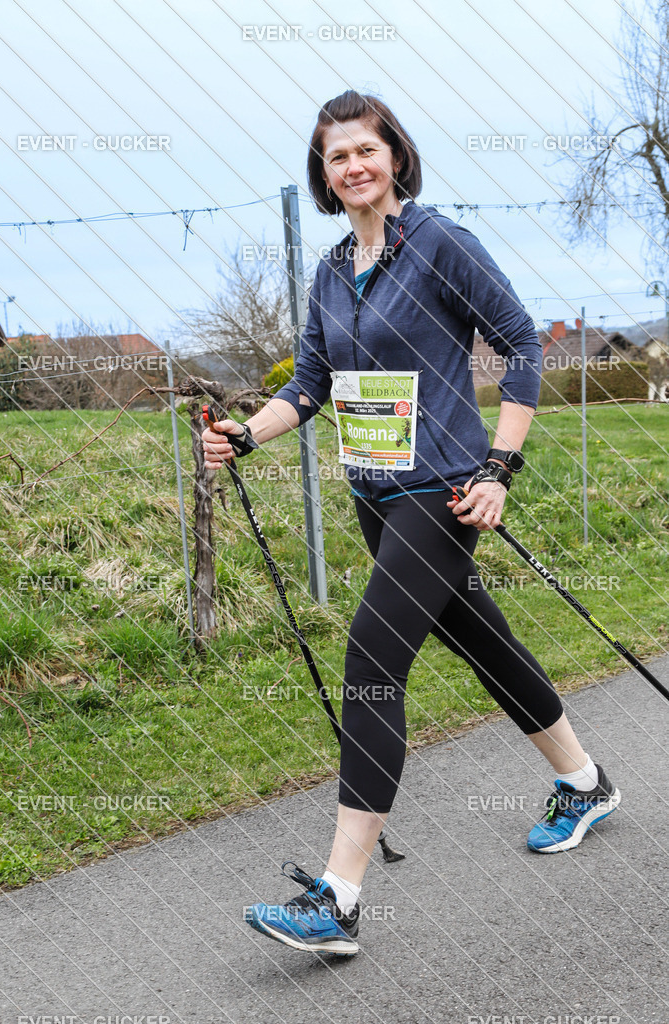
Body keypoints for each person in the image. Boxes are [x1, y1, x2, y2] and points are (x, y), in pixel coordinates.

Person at [202, 90, 621, 957]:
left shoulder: (439, 245)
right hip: (376, 494)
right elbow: (308, 383)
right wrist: (247, 434)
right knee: (483, 643)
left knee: (370, 660)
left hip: (445, 491)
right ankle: (583, 782)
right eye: (335, 156)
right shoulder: (329, 272)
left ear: (394, 154)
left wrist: (499, 468)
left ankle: (338, 900)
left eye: (366, 149)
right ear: (323, 174)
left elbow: (522, 344)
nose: (352, 166)